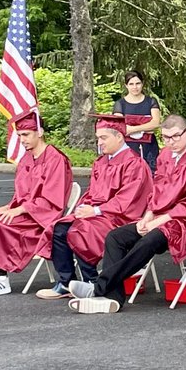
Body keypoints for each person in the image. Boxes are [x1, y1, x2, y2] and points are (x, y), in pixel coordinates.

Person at [66, 114, 186, 314]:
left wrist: (161, 220)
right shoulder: (166, 155)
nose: (170, 143)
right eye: (166, 138)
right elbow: (157, 191)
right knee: (115, 237)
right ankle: (112, 298)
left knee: (149, 240)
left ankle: (99, 287)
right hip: (160, 218)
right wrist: (148, 216)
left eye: (175, 137)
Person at [36, 114, 153, 299]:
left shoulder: (134, 164)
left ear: (119, 136)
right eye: (98, 138)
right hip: (97, 214)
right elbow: (92, 192)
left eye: (103, 138)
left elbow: (127, 199)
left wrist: (97, 211)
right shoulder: (101, 162)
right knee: (59, 228)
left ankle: (92, 282)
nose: (100, 143)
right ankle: (65, 283)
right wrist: (83, 207)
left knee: (81, 230)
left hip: (121, 217)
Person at [0, 109, 72, 298]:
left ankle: (0, 280)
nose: (23, 139)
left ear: (40, 132)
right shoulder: (27, 159)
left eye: (26, 134)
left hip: (39, 220)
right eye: (20, 135)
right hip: (24, 213)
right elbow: (21, 194)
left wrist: (21, 209)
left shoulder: (56, 159)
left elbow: (52, 200)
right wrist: (7, 207)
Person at [113, 70, 162, 173]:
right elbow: (119, 127)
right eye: (131, 84)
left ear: (142, 84)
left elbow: (156, 123)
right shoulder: (120, 104)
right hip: (127, 147)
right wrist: (145, 127)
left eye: (138, 83)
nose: (135, 87)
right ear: (126, 85)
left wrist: (132, 129)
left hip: (149, 147)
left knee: (150, 174)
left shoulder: (151, 101)